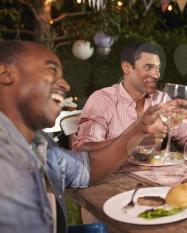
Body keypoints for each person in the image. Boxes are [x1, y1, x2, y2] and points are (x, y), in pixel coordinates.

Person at [0, 40, 175, 233]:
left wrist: (139, 129)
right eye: (51, 71)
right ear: (5, 75)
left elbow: (88, 169)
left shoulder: (40, 144)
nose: (65, 85)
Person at [73, 41, 187, 152]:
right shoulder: (103, 99)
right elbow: (84, 148)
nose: (156, 75)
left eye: (158, 68)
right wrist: (136, 140)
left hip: (153, 176)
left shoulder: (161, 100)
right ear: (127, 68)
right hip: (114, 178)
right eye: (148, 67)